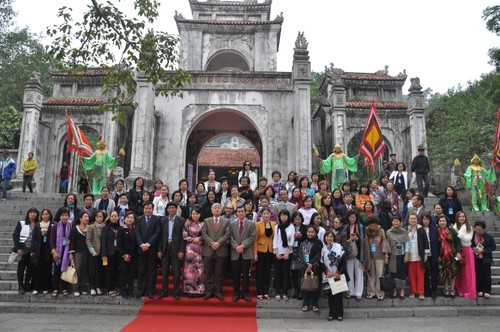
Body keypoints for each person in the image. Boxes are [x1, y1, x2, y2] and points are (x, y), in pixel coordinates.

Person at [202, 203, 230, 301]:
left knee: (219, 273)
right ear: (211, 210)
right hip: (208, 250)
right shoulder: (206, 221)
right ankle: (209, 292)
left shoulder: (226, 221)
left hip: (221, 249)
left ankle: (218, 291)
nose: (217, 210)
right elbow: (204, 234)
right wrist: (211, 243)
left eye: (219, 208)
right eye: (215, 208)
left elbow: (227, 234)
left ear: (222, 210)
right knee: (208, 272)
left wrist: (218, 243)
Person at [158, 202, 186, 300]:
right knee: (165, 272)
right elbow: (160, 236)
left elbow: (183, 237)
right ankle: (164, 291)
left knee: (176, 272)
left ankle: (176, 291)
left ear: (176, 209)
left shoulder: (181, 220)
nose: (171, 209)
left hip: (176, 249)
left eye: (173, 208)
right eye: (169, 208)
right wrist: (159, 250)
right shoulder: (163, 220)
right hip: (165, 248)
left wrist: (182, 250)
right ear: (167, 209)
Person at [135, 202, 161, 298]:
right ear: (143, 209)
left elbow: (157, 233)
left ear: (152, 209)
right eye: (146, 208)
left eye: (149, 208)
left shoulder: (157, 219)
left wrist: (148, 244)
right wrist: (141, 244)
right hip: (141, 249)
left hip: (152, 249)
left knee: (151, 271)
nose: (148, 210)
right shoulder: (139, 219)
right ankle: (141, 290)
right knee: (141, 270)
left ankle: (150, 291)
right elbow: (137, 232)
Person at [230, 205, 256, 302]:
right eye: (239, 211)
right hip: (235, 252)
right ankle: (236, 293)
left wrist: (242, 246)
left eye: (242, 211)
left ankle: (245, 293)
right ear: (236, 213)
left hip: (246, 252)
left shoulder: (251, 224)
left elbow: (252, 237)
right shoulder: (232, 224)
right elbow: (230, 236)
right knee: (235, 274)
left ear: (245, 212)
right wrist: (236, 246)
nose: (240, 213)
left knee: (246, 274)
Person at [321, 230, 347, 321]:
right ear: (325, 238)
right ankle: (331, 314)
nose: (329, 238)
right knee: (330, 296)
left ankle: (340, 314)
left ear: (334, 238)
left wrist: (338, 272)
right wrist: (327, 271)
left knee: (339, 295)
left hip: (337, 274)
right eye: (327, 236)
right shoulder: (323, 249)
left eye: (331, 236)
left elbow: (344, 262)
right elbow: (321, 263)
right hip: (328, 275)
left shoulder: (339, 247)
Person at [13, 207, 39, 294]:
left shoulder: (38, 224)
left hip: (33, 250)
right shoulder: (22, 223)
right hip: (23, 249)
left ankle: (27, 285)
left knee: (30, 269)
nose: (33, 214)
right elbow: (15, 236)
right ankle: (20, 286)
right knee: (21, 268)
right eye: (31, 212)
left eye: (35, 213)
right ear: (28, 214)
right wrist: (18, 248)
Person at [364, 216, 390, 300]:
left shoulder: (381, 230)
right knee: (371, 274)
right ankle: (371, 292)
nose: (372, 228)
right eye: (371, 226)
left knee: (379, 274)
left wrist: (386, 255)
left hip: (380, 256)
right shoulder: (366, 231)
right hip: (370, 256)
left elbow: (385, 242)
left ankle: (379, 292)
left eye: (374, 226)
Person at [182, 206, 205, 298]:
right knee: (189, 270)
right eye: (194, 213)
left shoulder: (203, 224)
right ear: (191, 214)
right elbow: (184, 235)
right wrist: (193, 239)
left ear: (200, 215)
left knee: (200, 270)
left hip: (200, 249)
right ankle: (189, 290)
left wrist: (200, 239)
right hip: (190, 249)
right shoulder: (187, 223)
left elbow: (206, 235)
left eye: (197, 214)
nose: (195, 215)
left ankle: (199, 291)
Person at [300, 225, 323, 312]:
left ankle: (314, 304)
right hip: (305, 268)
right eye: (308, 232)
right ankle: (306, 303)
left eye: (312, 232)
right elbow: (301, 255)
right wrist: (306, 266)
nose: (310, 233)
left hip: (315, 267)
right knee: (306, 285)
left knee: (315, 285)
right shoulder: (303, 243)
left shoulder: (318, 243)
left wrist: (311, 264)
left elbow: (319, 254)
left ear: (315, 233)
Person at [254, 207, 276, 300]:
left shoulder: (274, 224)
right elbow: (255, 240)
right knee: (260, 272)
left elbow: (275, 238)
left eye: (267, 213)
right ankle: (259, 292)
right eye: (264, 214)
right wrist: (255, 253)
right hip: (260, 250)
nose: (266, 215)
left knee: (267, 272)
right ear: (261, 215)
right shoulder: (257, 224)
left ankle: (266, 292)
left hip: (270, 250)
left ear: (270, 215)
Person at [437, 215, 461, 298]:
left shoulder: (451, 231)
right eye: (440, 221)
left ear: (447, 222)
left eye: (444, 221)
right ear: (438, 222)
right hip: (442, 256)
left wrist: (458, 252)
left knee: (453, 273)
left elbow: (458, 241)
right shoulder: (437, 232)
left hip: (452, 255)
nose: (442, 223)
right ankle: (446, 289)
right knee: (445, 273)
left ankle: (452, 289)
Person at [272, 209, 294, 301]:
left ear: (288, 216)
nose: (283, 217)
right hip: (277, 252)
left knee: (285, 273)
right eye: (282, 215)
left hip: (287, 252)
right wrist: (276, 252)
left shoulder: (291, 226)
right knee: (277, 273)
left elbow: (291, 241)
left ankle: (284, 292)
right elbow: (275, 240)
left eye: (285, 215)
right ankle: (277, 292)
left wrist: (287, 253)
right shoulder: (277, 227)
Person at [30, 209, 54, 294]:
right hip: (38, 249)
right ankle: (37, 287)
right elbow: (34, 238)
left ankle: (46, 287)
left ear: (49, 215)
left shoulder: (52, 225)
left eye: (46, 214)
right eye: (43, 214)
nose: (45, 216)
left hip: (48, 250)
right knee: (38, 269)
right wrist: (32, 250)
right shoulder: (37, 225)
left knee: (47, 269)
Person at [453, 211, 476, 299]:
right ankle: (460, 289)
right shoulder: (455, 226)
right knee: (460, 271)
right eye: (460, 217)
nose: (462, 218)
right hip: (458, 251)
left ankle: (469, 290)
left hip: (467, 250)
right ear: (457, 218)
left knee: (468, 271)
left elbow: (468, 239)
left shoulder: (468, 227)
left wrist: (458, 233)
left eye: (463, 216)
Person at [406, 213, 429, 299]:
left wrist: (426, 254)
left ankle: (421, 292)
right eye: (411, 218)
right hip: (410, 256)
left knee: (420, 275)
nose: (412, 220)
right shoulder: (406, 230)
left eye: (414, 218)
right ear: (408, 220)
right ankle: (413, 292)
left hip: (419, 255)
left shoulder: (421, 229)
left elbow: (426, 242)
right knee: (411, 275)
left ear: (417, 220)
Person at [386, 216, 409, 299]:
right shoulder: (388, 232)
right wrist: (386, 255)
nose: (395, 223)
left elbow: (407, 244)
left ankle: (402, 290)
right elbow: (386, 244)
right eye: (394, 221)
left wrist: (407, 255)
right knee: (393, 273)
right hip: (392, 255)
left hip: (402, 255)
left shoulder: (404, 232)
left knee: (402, 273)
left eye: (397, 221)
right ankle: (395, 290)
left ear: (400, 222)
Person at [50, 208, 72, 297]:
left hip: (67, 251)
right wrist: (54, 252)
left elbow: (72, 237)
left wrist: (70, 240)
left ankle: (64, 288)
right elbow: (52, 240)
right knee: (56, 270)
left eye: (66, 215)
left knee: (65, 270)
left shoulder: (71, 225)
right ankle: (56, 288)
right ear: (60, 216)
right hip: (58, 251)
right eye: (63, 215)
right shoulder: (55, 226)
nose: (64, 217)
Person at [472, 221, 496, 299]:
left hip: (486, 258)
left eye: (480, 229)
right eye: (477, 229)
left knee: (486, 275)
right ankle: (480, 290)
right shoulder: (472, 236)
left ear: (484, 229)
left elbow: (493, 247)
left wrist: (484, 250)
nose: (478, 231)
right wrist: (473, 248)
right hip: (476, 258)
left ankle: (487, 291)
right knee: (478, 274)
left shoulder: (488, 236)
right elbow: (470, 244)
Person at [69, 211, 90, 296]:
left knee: (85, 270)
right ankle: (75, 288)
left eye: (88, 217)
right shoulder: (75, 229)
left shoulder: (90, 228)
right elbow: (72, 242)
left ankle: (83, 287)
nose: (87, 218)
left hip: (88, 252)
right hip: (78, 252)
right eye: (85, 216)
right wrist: (71, 253)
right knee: (77, 270)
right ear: (80, 218)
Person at [117, 211, 137, 298]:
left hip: (134, 256)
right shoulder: (121, 229)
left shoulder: (135, 229)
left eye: (131, 217)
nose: (129, 219)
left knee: (132, 274)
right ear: (124, 219)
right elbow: (119, 244)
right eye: (128, 217)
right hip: (124, 256)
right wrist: (124, 255)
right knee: (124, 274)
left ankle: (130, 291)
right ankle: (123, 291)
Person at [345, 210, 364, 300]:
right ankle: (350, 291)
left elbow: (363, 240)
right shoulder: (345, 227)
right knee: (349, 272)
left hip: (358, 252)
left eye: (353, 217)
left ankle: (358, 292)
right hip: (349, 252)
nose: (352, 219)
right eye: (350, 217)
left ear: (356, 218)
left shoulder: (360, 227)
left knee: (359, 272)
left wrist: (357, 238)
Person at [86, 210, 106, 296]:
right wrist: (92, 251)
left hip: (103, 253)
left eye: (101, 217)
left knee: (100, 270)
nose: (99, 218)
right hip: (93, 252)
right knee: (92, 270)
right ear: (95, 218)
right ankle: (92, 287)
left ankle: (98, 286)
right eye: (97, 217)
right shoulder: (91, 227)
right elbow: (88, 240)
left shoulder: (105, 227)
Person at [101, 211, 121, 297]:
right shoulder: (106, 228)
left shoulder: (120, 228)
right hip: (109, 253)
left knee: (116, 271)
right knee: (109, 271)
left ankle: (115, 288)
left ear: (118, 217)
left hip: (118, 253)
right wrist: (104, 255)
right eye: (112, 216)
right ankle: (109, 289)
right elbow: (103, 242)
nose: (113, 217)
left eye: (115, 216)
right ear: (110, 217)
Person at [422, 212, 439, 299]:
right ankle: (426, 290)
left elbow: (438, 242)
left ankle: (434, 291)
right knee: (425, 273)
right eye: (424, 219)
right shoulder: (420, 229)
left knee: (434, 273)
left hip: (433, 253)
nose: (426, 221)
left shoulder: (434, 229)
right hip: (424, 255)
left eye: (427, 219)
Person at [290, 211, 307, 300]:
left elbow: (308, 237)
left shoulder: (305, 227)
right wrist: (293, 236)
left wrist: (301, 236)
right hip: (292, 250)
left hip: (302, 251)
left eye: (299, 219)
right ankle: (296, 289)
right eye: (296, 219)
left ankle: (302, 290)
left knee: (301, 271)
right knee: (294, 271)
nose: (297, 221)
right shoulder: (290, 227)